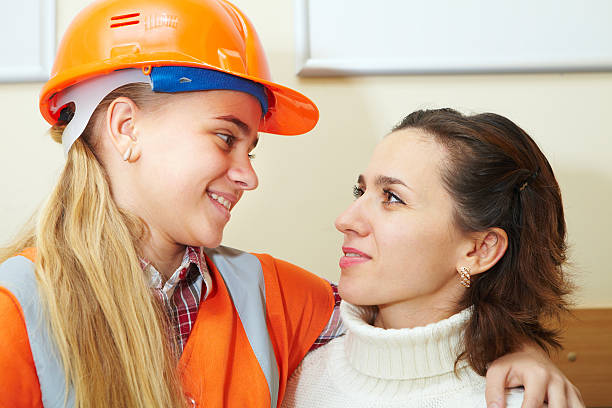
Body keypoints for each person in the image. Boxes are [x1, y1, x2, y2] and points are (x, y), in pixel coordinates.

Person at [0, 0, 581, 406]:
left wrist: (519, 351)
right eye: (226, 137)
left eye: (252, 149)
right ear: (126, 127)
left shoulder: (270, 293)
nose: (248, 176)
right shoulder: (15, 311)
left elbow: (417, 319)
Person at [282, 108, 584, 408]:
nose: (345, 219)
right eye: (359, 191)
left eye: (392, 197)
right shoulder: (290, 365)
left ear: (480, 250)